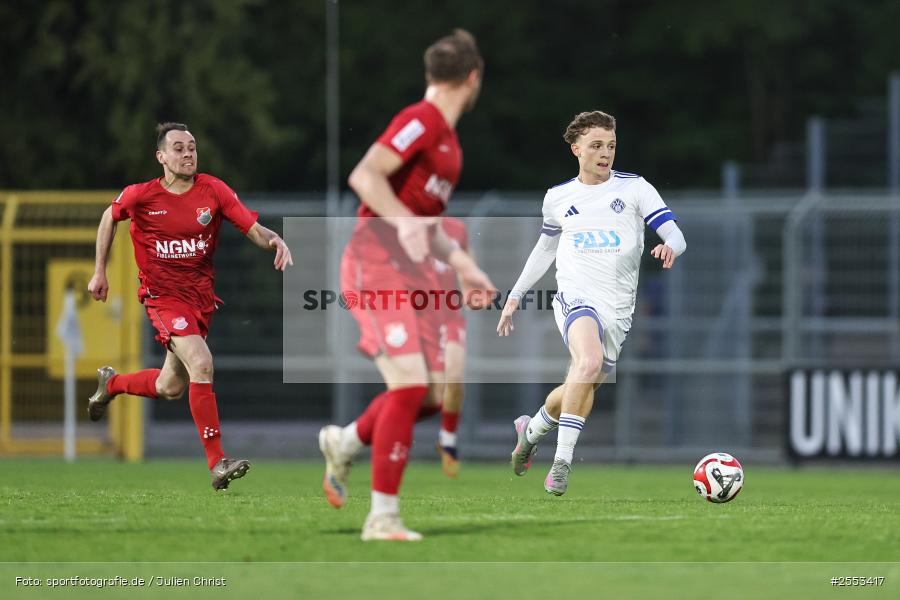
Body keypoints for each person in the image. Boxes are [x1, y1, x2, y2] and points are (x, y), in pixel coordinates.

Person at [317, 29, 496, 541]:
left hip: (407, 273)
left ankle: (346, 442)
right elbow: (366, 175)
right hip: (373, 266)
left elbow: (427, 225)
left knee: (434, 395)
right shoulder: (422, 121)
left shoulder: (449, 144)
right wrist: (405, 223)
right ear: (473, 77)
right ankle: (382, 517)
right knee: (411, 385)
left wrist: (464, 265)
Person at [86, 122, 293, 490]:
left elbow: (254, 230)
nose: (187, 154)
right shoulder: (142, 196)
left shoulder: (213, 190)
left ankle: (112, 383)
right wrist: (99, 271)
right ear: (161, 157)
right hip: (162, 298)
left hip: (200, 300)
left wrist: (276, 241)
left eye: (192, 148)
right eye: (178, 148)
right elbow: (109, 217)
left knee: (170, 386)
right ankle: (218, 463)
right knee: (202, 362)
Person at [497, 110, 686, 496]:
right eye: (597, 145)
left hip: (617, 309)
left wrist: (671, 246)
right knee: (589, 362)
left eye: (611, 146)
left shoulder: (635, 189)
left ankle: (530, 430)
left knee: (579, 384)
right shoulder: (558, 198)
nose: (606, 153)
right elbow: (544, 250)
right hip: (574, 296)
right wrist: (515, 296)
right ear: (576, 148)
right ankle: (561, 465)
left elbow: (677, 235)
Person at [432, 215, 468, 477]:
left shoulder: (456, 228)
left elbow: (468, 265)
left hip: (450, 317)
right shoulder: (405, 225)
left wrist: (472, 288)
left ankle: (448, 442)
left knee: (454, 379)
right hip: (417, 317)